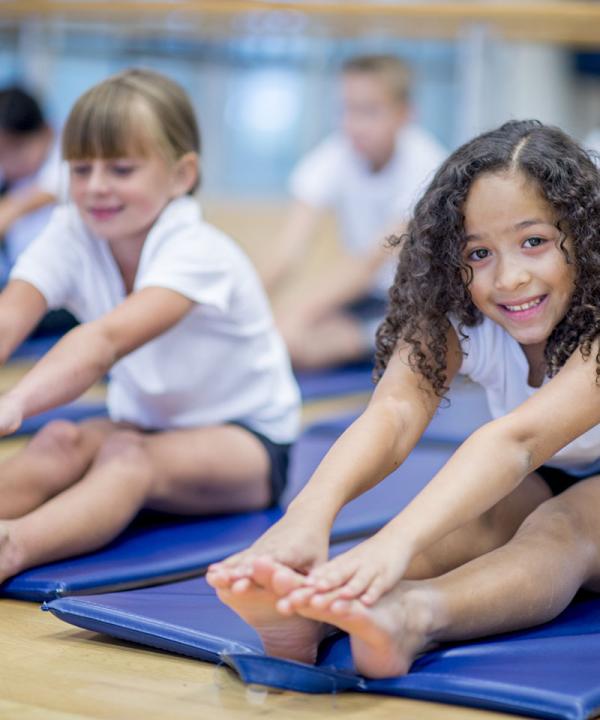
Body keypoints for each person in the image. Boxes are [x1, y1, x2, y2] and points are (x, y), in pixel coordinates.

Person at [208, 119, 600, 679]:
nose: (509, 277)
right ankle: (315, 605)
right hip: (556, 464)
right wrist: (307, 518)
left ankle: (413, 616)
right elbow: (392, 414)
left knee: (562, 528)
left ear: (584, 236)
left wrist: (393, 542)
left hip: (566, 475)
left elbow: (518, 440)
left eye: (533, 242)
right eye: (479, 253)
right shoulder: (458, 312)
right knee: (474, 524)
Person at [0, 68, 300, 583]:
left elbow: (104, 341)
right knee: (58, 441)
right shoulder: (72, 230)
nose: (96, 188)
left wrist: (15, 402)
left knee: (126, 458)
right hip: (146, 420)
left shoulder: (197, 250)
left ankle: (12, 547)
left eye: (120, 169)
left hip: (246, 444)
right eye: (80, 169)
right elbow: (11, 312)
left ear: (182, 175)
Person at [264, 54, 446, 370]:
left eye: (369, 111)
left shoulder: (427, 165)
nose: (354, 124)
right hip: (366, 300)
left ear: (405, 114)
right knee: (277, 337)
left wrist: (299, 315)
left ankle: (382, 340)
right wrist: (236, 309)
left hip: (420, 302)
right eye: (347, 109)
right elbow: (286, 253)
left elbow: (368, 263)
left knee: (304, 343)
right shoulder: (335, 154)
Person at [0, 86, 65, 278]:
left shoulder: (71, 155)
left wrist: (12, 208)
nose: (8, 161)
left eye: (17, 148)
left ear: (47, 132)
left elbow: (56, 186)